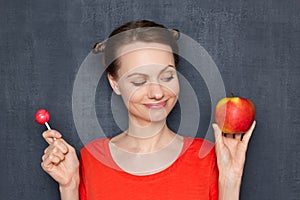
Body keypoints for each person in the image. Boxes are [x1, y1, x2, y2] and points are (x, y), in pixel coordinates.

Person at [41, 20, 256, 200]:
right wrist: (69, 187)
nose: (157, 92)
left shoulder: (209, 157)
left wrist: (230, 182)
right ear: (115, 83)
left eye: (167, 77)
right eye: (139, 81)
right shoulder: (91, 159)